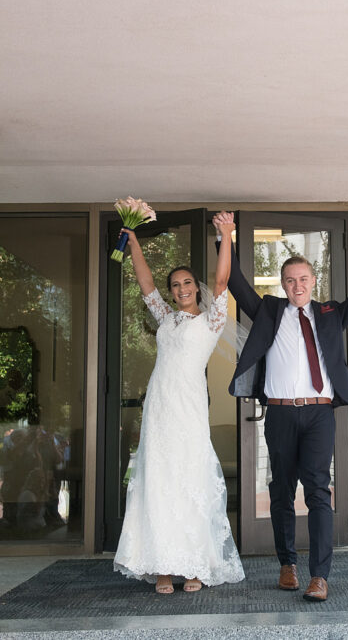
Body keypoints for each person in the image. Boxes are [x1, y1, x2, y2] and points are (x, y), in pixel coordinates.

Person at [218, 211, 348, 602]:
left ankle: (320, 576)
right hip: (280, 412)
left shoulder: (331, 314)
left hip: (318, 413)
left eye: (303, 279)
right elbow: (235, 282)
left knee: (318, 490)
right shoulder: (269, 311)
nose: (297, 285)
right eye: (289, 280)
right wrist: (224, 237)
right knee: (281, 490)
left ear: (313, 281)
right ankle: (287, 564)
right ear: (283, 284)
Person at [113, 213, 245, 595]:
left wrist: (226, 235)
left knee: (189, 479)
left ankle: (194, 565)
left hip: (188, 408)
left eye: (187, 282)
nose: (182, 288)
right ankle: (162, 566)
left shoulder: (211, 321)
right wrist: (134, 242)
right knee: (158, 480)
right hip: (159, 407)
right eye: (176, 284)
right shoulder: (165, 318)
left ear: (195, 288)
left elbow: (222, 281)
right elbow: (145, 281)